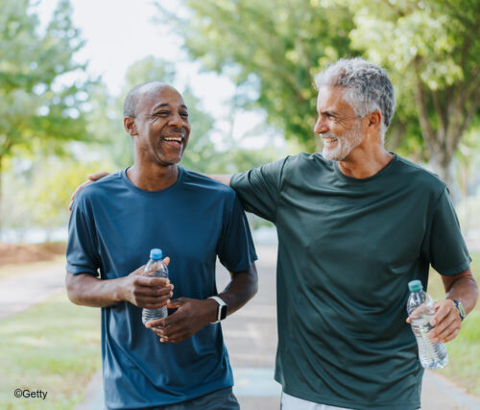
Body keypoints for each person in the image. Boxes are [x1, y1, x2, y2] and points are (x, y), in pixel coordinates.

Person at [72, 59, 478, 410]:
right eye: (319, 113)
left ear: (372, 120)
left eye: (332, 116)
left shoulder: (425, 193)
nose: (319, 126)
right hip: (304, 390)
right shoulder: (294, 177)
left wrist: (454, 308)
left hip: (388, 392)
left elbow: (462, 281)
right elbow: (216, 184)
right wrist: (126, 180)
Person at [66, 81, 258, 410]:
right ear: (131, 126)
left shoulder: (219, 200)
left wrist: (211, 309)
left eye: (184, 114)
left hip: (210, 390)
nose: (178, 122)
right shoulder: (94, 200)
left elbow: (246, 277)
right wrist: (124, 288)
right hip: (132, 393)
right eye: (162, 113)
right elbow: (75, 285)